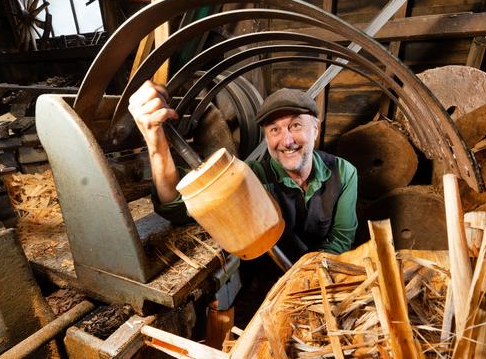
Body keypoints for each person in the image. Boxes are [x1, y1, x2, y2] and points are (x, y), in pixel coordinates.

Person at [128, 81, 358, 263]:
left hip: (321, 275)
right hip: (268, 283)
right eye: (274, 129)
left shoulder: (344, 172)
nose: (286, 141)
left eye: (295, 125)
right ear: (267, 137)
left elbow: (340, 240)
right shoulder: (250, 177)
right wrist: (157, 145)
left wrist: (312, 275)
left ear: (315, 129)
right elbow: (176, 206)